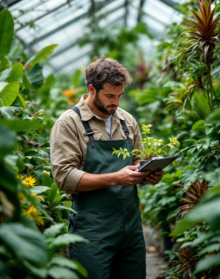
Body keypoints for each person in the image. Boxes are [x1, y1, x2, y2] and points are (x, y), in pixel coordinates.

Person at [49, 56, 164, 279]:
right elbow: (64, 177)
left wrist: (149, 173)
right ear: (92, 89)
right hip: (92, 228)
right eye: (110, 96)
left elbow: (137, 162)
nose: (116, 102)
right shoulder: (68, 123)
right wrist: (115, 178)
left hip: (130, 226)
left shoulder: (127, 121)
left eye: (120, 96)